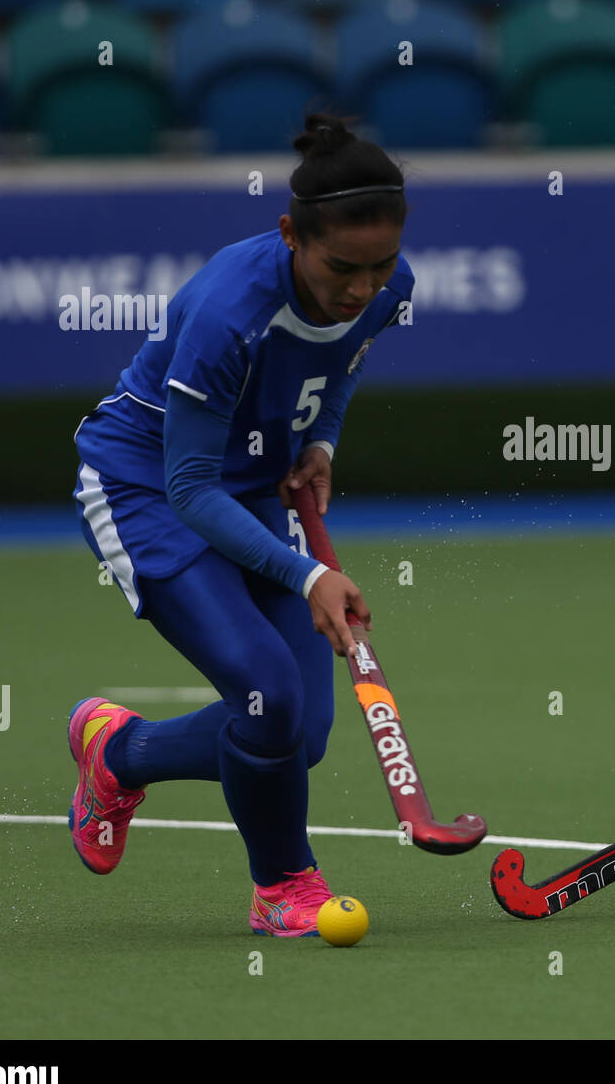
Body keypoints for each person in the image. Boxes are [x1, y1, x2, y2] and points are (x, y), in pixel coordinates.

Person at [69, 116, 414, 934]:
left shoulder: (386, 289)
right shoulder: (230, 311)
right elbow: (188, 487)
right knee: (267, 692)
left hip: (254, 481)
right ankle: (283, 887)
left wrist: (320, 440)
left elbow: (341, 359)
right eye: (341, 268)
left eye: (381, 265)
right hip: (145, 487)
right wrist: (310, 575)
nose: (363, 288)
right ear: (291, 233)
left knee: (301, 733)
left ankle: (118, 754)